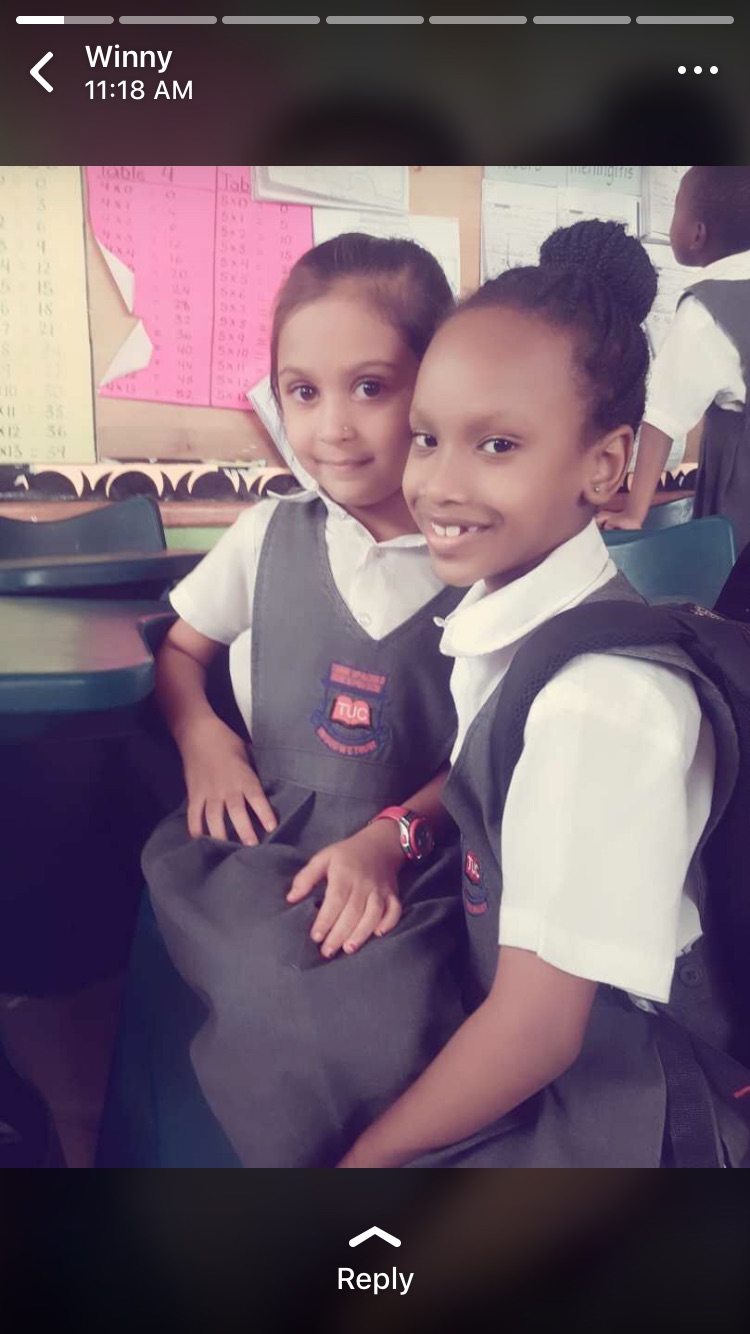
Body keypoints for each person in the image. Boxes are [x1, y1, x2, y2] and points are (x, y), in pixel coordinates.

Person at [338, 220, 733, 1169]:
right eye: (428, 438)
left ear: (605, 465)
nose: (438, 483)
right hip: (540, 1027)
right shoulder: (516, 619)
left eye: (498, 444)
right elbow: (492, 774)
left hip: (620, 1098)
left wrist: (358, 1170)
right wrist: (395, 831)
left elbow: (538, 1034)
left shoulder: (600, 700)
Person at [138, 233, 467, 1167]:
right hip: (265, 843)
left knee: (411, 999)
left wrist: (389, 841)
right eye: (302, 391)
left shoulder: (471, 552)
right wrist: (201, 736)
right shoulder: (269, 534)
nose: (332, 429)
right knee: (270, 975)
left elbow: (486, 751)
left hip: (418, 845)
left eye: (370, 387)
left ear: (435, 384)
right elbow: (181, 650)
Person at [598, 166, 750, 552]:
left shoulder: (707, 308)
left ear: (697, 234)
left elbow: (663, 420)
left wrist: (634, 512)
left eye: (676, 207)